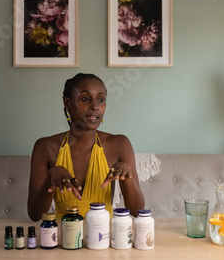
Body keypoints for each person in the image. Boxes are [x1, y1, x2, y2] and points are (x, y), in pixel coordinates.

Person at [28, 73, 145, 221]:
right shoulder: (44, 147)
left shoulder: (120, 144)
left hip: (104, 239)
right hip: (63, 238)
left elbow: (137, 211)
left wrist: (127, 177)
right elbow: (34, 215)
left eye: (101, 99)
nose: (95, 106)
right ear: (67, 103)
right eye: (85, 99)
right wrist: (50, 177)